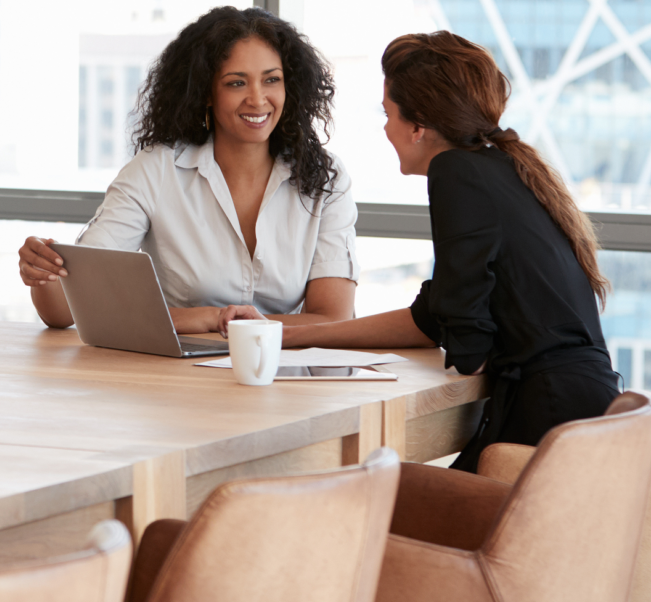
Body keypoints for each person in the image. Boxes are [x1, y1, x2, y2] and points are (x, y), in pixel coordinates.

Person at [230, 31, 618, 472]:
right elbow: (434, 317)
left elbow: (468, 348)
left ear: (418, 128)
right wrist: (285, 332)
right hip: (582, 410)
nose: (385, 127)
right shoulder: (501, 167)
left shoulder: (456, 172)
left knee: (375, 495)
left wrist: (464, 327)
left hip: (548, 420)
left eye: (388, 113)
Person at [17, 6, 359, 333]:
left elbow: (333, 318)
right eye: (236, 83)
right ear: (206, 92)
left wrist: (228, 325)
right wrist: (42, 270)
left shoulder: (325, 179)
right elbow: (65, 309)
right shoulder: (156, 171)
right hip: (175, 378)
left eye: (271, 80)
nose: (257, 99)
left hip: (283, 376)